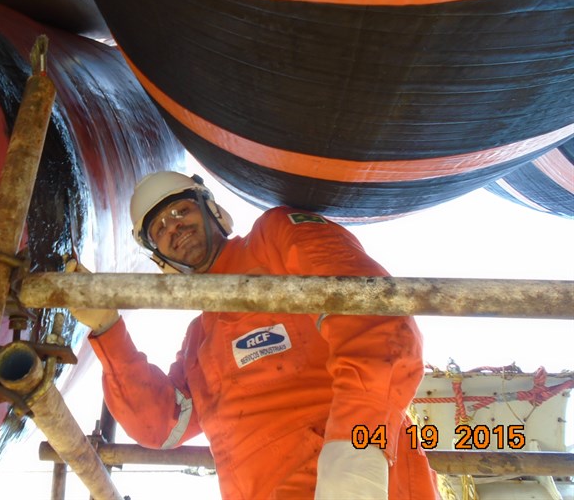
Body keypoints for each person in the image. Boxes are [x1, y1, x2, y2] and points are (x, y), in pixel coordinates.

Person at [71, 171, 438, 499]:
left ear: (213, 210)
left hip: (358, 479)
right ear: (159, 258)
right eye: (159, 230)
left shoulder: (274, 238)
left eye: (181, 210)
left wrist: (354, 455)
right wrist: (108, 328)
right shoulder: (198, 339)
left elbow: (376, 321)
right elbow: (161, 426)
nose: (174, 227)